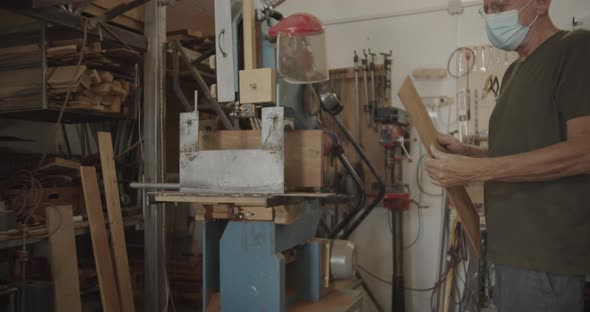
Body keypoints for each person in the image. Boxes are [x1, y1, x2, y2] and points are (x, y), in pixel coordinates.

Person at [424, 0, 590, 311]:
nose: (492, 16)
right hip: (510, 250)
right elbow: (524, 148)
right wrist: (470, 154)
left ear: (540, 3)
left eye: (499, 6)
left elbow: (583, 152)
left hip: (544, 257)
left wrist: (473, 172)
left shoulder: (576, 49)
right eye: (486, 9)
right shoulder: (515, 69)